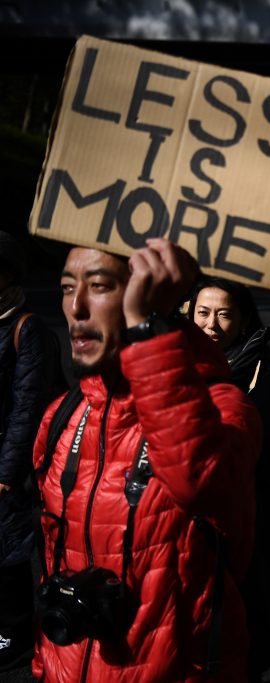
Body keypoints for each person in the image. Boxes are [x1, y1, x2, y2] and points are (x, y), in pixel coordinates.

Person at [35, 239, 261, 681]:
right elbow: (50, 553)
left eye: (99, 285)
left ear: (151, 297)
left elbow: (197, 482)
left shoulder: (224, 410)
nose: (76, 306)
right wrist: (47, 663)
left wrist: (147, 331)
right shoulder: (65, 413)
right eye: (65, 287)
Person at [189, 277, 270, 680]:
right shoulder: (174, 362)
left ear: (244, 320)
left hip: (257, 515)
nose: (211, 325)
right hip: (191, 524)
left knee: (243, 628)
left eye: (224, 314)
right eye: (202, 313)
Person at [0, 233, 61, 671]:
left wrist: (8, 468)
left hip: (9, 462)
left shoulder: (26, 326)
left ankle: (14, 635)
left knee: (10, 554)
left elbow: (28, 404)